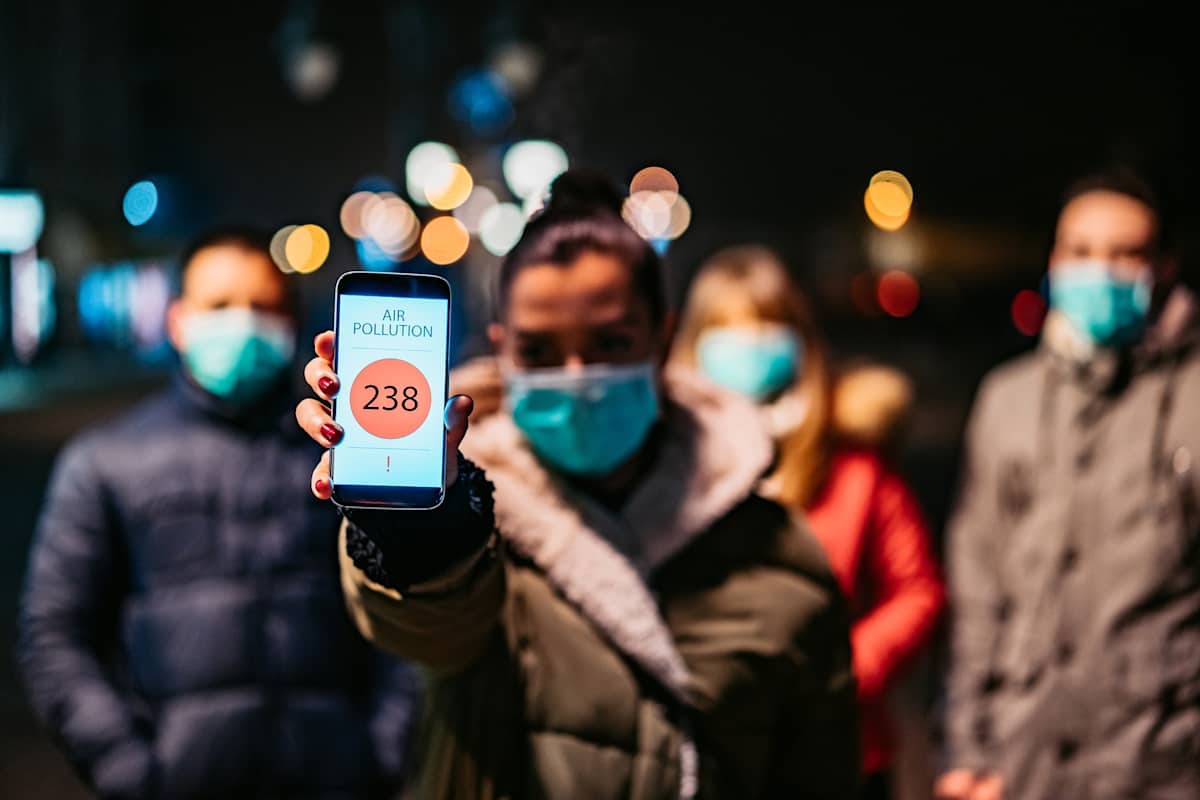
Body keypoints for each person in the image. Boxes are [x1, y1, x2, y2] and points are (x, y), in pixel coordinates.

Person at [295, 170, 861, 798]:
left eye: (610, 343)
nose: (577, 374)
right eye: (539, 352)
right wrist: (417, 522)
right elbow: (430, 623)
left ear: (663, 337)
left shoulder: (780, 553)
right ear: (502, 349)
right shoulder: (474, 516)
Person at [18, 228, 419, 799]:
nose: (242, 322)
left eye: (263, 306)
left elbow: (403, 607)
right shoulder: (105, 460)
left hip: (337, 780)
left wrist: (381, 751)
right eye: (219, 305)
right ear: (178, 321)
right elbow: (54, 634)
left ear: (291, 322)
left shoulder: (341, 457)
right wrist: (126, 767)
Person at [937, 166, 1200, 800]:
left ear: (1164, 267)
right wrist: (966, 750)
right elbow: (978, 586)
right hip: (1025, 760)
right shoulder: (1008, 399)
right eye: (1080, 252)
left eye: (1124, 254)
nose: (1098, 271)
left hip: (1162, 765)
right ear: (1054, 261)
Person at [670, 246, 946, 799]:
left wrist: (847, 669)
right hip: (706, 751)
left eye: (765, 327)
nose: (748, 346)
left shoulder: (853, 468)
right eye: (728, 330)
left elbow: (917, 590)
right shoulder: (669, 468)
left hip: (842, 748)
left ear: (799, 339)